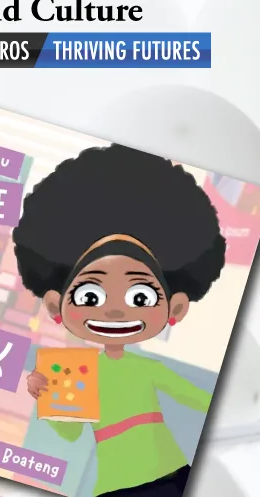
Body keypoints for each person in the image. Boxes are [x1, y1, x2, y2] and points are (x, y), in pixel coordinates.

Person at [18, 144, 223, 497]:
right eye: (90, 297)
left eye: (139, 297)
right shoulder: (74, 374)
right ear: (56, 306)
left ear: (174, 309)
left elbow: (202, 402)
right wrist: (42, 394)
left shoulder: (148, 370)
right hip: (114, 484)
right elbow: (70, 432)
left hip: (171, 475)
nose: (113, 312)